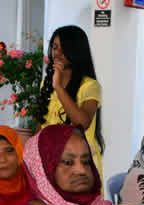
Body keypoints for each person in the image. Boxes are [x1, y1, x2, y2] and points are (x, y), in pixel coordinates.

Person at [42, 26, 105, 178]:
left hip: (81, 165)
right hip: (53, 161)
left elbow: (82, 123)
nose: (57, 53)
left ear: (76, 51)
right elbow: (43, 124)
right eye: (54, 47)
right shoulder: (47, 83)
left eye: (64, 48)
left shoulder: (90, 86)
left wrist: (58, 87)